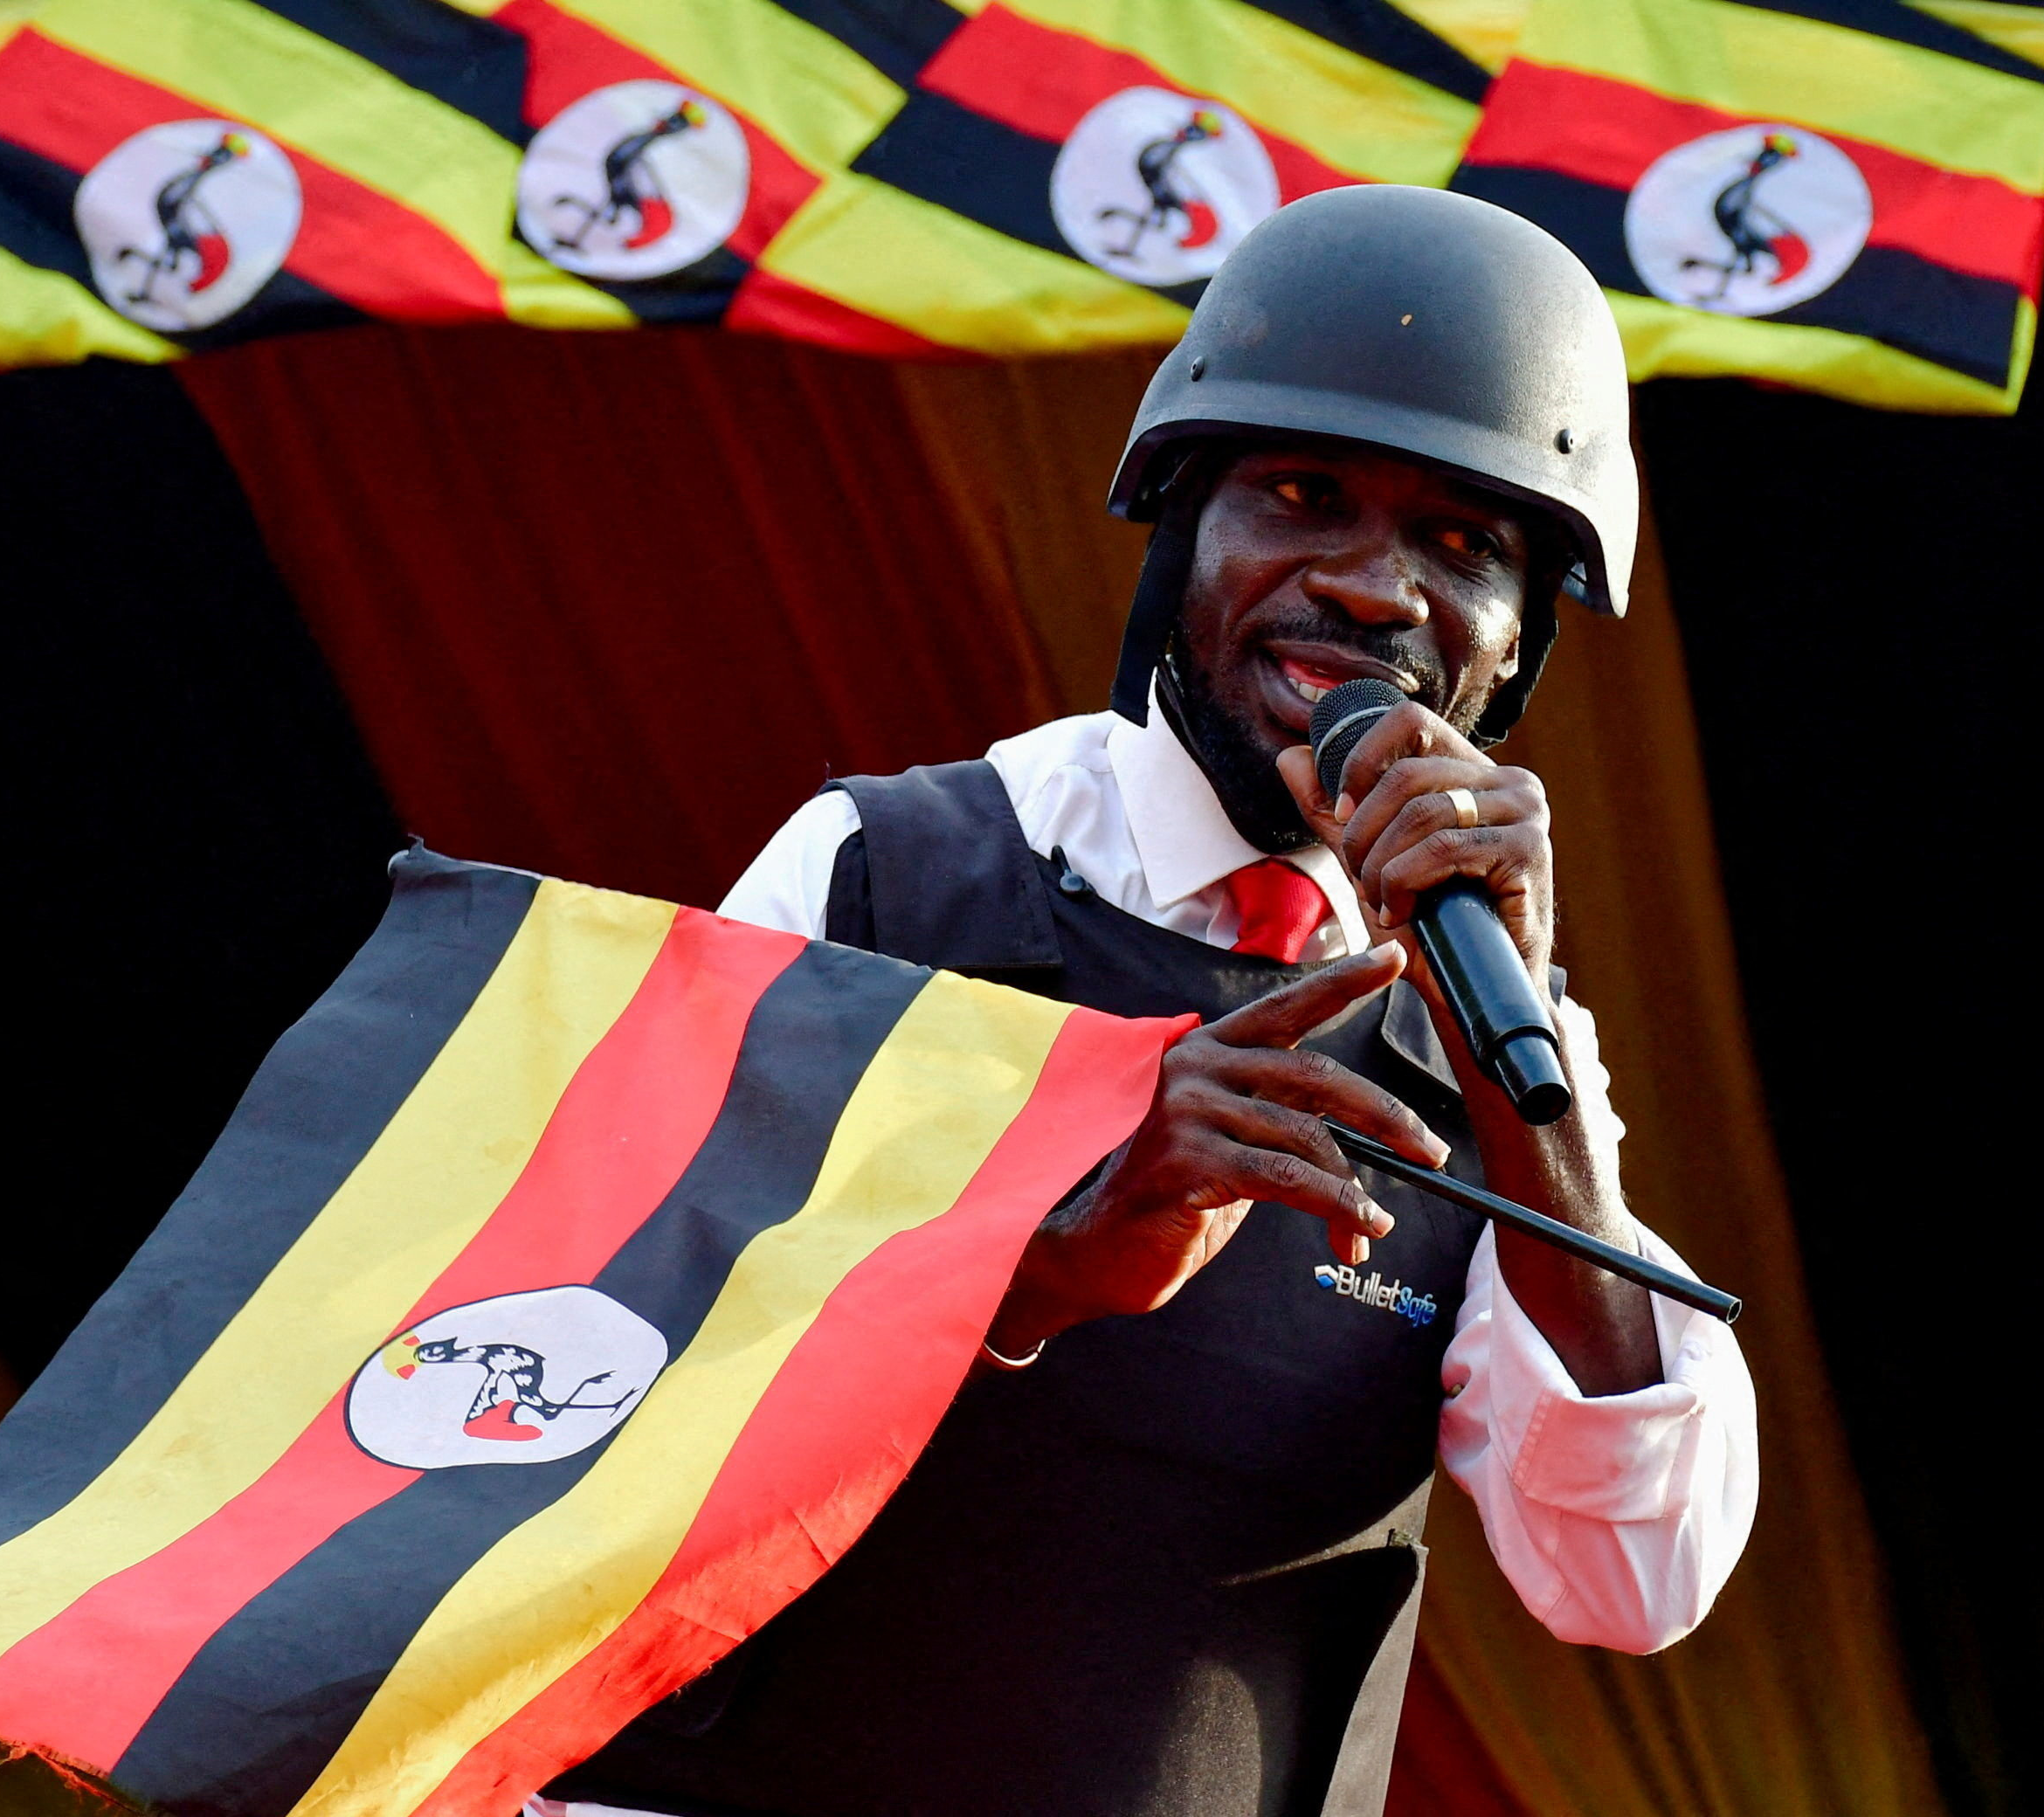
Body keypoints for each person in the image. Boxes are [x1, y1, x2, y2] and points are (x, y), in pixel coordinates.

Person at [541, 186, 1757, 1817]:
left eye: (1463, 545)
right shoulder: (887, 872)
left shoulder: (1500, 1033)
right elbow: (579, 1379)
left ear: (1517, 650)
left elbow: (1628, 1580)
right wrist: (1044, 1265)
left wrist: (1517, 1064)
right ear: (1180, 529)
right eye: (1302, 495)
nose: (1374, 588)